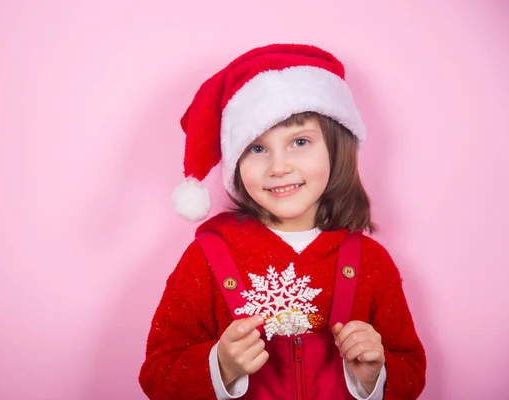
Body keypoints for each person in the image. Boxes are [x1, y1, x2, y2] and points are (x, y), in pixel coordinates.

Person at [139, 43, 426, 400]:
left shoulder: (371, 263)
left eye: (300, 141)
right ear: (236, 163)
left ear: (336, 149)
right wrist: (220, 365)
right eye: (257, 148)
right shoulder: (206, 259)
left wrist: (375, 375)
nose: (278, 167)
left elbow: (412, 372)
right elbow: (156, 375)